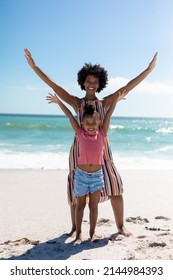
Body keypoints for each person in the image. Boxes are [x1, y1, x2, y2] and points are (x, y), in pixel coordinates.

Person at [24, 48, 158, 237]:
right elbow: (53, 85)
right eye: (88, 81)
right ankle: (74, 228)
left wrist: (149, 69)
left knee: (115, 186)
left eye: (95, 81)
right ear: (82, 82)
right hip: (80, 151)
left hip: (103, 150)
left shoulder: (104, 103)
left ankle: (120, 226)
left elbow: (129, 86)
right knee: (76, 191)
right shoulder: (76, 103)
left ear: (100, 83)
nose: (91, 84)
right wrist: (34, 66)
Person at [46, 91, 124, 243]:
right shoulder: (79, 133)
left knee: (94, 207)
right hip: (81, 176)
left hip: (97, 176)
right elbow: (70, 115)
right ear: (82, 124)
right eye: (87, 123)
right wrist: (59, 102)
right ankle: (79, 234)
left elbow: (109, 116)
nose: (90, 126)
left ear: (99, 123)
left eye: (93, 123)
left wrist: (115, 101)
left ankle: (92, 234)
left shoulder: (102, 133)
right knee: (80, 205)